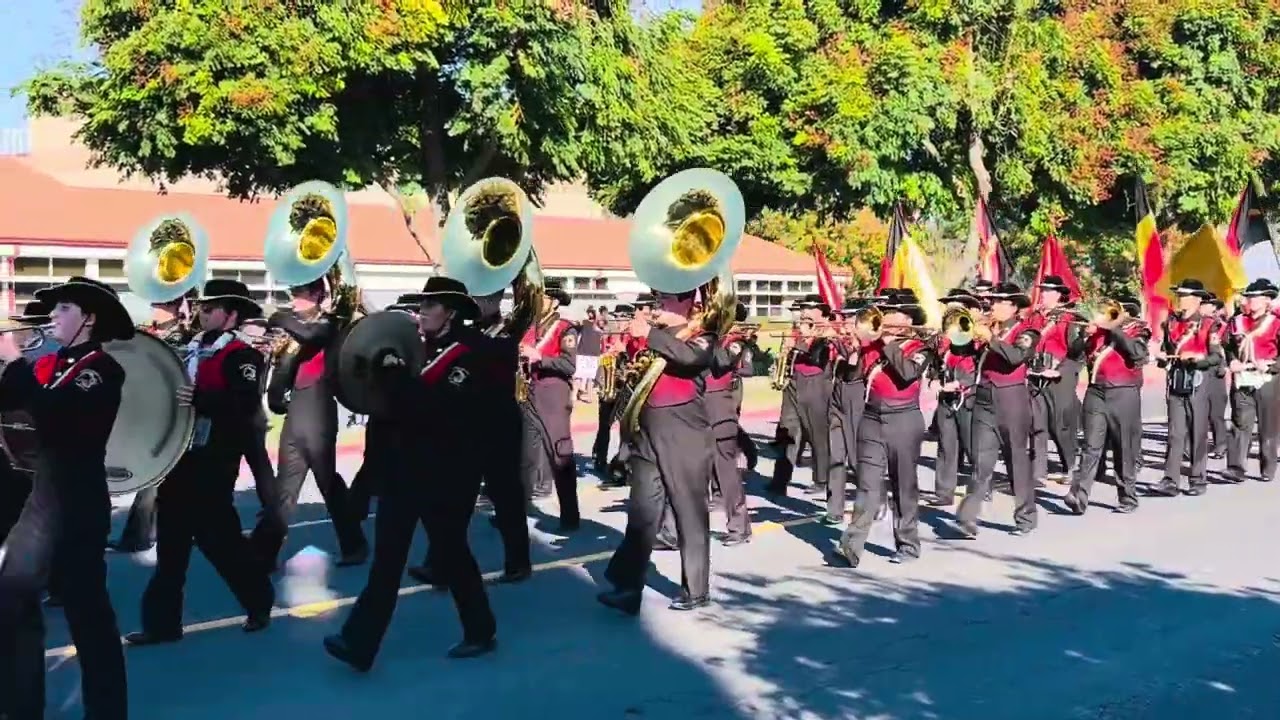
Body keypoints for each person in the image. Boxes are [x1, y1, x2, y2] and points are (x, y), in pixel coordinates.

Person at [324, 277, 496, 669]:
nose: (422, 310)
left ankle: (481, 629)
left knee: (453, 556)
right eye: (422, 303)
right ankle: (359, 644)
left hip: (442, 475)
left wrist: (396, 376)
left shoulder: (465, 358)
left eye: (431, 304)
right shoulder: (415, 350)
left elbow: (435, 410)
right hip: (403, 472)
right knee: (386, 562)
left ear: (450, 313)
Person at [0, 276, 131, 720]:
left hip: (77, 503)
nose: (52, 317)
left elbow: (53, 416)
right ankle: (21, 707)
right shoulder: (51, 364)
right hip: (43, 497)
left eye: (63, 310)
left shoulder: (102, 369)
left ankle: (108, 710)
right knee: (13, 597)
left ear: (88, 320)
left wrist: (15, 359)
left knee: (88, 616)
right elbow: (13, 401)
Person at [125, 280, 276, 646]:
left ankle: (259, 600)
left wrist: (202, 399)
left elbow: (244, 408)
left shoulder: (243, 356)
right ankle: (162, 625)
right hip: (180, 459)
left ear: (232, 315)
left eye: (211, 307)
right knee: (171, 548)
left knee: (220, 544)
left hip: (214, 464)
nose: (202, 312)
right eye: (202, 306)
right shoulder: (188, 350)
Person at [597, 287, 716, 614]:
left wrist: (649, 334)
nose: (656, 305)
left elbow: (691, 359)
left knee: (689, 511)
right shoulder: (658, 336)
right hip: (647, 431)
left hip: (684, 431)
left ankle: (696, 589)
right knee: (641, 512)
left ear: (685, 302)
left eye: (663, 300)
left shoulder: (702, 335)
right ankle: (628, 586)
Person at [408, 284, 535, 587]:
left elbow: (476, 369)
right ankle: (439, 565)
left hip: (497, 430)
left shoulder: (493, 339)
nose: (421, 311)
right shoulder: (453, 339)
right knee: (456, 502)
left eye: (431, 305)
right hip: (465, 432)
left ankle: (518, 562)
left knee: (506, 498)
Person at [249, 278, 368, 570]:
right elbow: (285, 369)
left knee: (328, 482)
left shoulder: (328, 324)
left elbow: (313, 335)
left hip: (319, 412)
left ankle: (354, 544)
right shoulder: (293, 331)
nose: (295, 301)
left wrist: (279, 317)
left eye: (300, 295)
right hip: (297, 411)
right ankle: (265, 552)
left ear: (317, 296)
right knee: (285, 488)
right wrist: (276, 395)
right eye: (293, 295)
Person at [835, 291, 933, 566]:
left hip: (904, 419)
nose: (885, 317)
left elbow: (908, 374)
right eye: (883, 312)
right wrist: (854, 350)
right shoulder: (872, 345)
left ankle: (908, 544)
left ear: (907, 318)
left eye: (891, 313)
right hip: (872, 418)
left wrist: (888, 342)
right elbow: (852, 378)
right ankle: (851, 545)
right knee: (866, 484)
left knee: (903, 484)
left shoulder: (920, 348)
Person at [110, 287, 198, 554]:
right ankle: (142, 534)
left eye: (158, 304)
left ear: (173, 305)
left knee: (154, 480)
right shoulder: (149, 332)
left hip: (176, 414)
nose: (153, 308)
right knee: (156, 481)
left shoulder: (186, 337)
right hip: (150, 412)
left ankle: (141, 536)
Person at [952, 282, 1040, 538]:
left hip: (1011, 397)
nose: (994, 306)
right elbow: (961, 351)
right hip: (984, 397)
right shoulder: (990, 328)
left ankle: (1026, 516)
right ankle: (968, 515)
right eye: (993, 301)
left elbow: (1015, 357)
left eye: (1000, 302)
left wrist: (990, 338)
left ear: (1013, 306)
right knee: (981, 459)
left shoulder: (1027, 331)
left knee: (1016, 459)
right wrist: (966, 333)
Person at [1061, 294, 1148, 514]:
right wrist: (1084, 335)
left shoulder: (1137, 331)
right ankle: (1079, 495)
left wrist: (1114, 329)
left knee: (1123, 446)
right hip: (1096, 391)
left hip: (1123, 392)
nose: (1106, 315)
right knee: (1091, 445)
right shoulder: (1096, 334)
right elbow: (1073, 353)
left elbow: (1137, 355)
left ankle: (1127, 497)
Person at [518, 279, 580, 530]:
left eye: (540, 297)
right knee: (525, 457)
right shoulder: (531, 325)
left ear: (553, 301)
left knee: (559, 455)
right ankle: (515, 511)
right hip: (530, 392)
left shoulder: (565, 328)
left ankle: (570, 516)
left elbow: (569, 365)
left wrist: (540, 357)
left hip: (553, 394)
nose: (535, 300)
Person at [1152, 279, 1220, 497]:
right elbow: (1166, 349)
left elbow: (1216, 357)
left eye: (1185, 296)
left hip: (1197, 382)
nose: (1181, 300)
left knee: (1197, 432)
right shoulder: (1170, 323)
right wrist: (1161, 357)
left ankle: (1198, 479)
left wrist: (1197, 358)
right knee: (1175, 433)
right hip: (1176, 380)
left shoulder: (1209, 324)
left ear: (1197, 300)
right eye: (1179, 296)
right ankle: (1170, 479)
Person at [768, 294, 833, 497]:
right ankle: (780, 480)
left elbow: (818, 357)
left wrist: (800, 342)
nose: (804, 313)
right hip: (794, 384)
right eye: (803, 310)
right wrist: (783, 355)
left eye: (809, 309)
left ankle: (822, 480)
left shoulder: (828, 334)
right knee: (787, 432)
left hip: (817, 385)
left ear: (822, 314)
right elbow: (787, 359)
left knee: (817, 434)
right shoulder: (796, 332)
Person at [925, 288, 984, 507]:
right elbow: (935, 364)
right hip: (946, 399)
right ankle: (943, 492)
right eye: (949, 307)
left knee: (973, 447)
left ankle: (980, 487)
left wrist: (962, 384)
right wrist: (933, 380)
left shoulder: (978, 337)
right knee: (946, 445)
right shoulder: (943, 339)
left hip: (969, 398)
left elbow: (982, 367)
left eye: (956, 306)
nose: (951, 310)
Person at [1027, 275, 1083, 485]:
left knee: (1060, 426)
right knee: (1037, 424)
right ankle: (1037, 472)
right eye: (1043, 291)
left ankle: (1070, 466)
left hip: (1060, 377)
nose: (1044, 295)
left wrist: (1060, 371)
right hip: (1036, 375)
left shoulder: (1069, 318)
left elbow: (1078, 353)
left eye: (1049, 291)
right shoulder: (1035, 317)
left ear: (1059, 294)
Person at [1223, 279, 1280, 484]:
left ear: (1266, 300)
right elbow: (1227, 345)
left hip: (1267, 379)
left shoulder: (1276, 322)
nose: (1250, 301)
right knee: (1240, 423)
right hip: (1242, 378)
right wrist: (1232, 361)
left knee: (1268, 426)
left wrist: (1272, 366)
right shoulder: (1237, 321)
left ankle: (1268, 467)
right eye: (1249, 297)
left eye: (1254, 297)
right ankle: (1236, 468)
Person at [705, 302, 752, 546]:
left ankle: (739, 527)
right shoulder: (703, 338)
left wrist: (708, 339)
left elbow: (721, 362)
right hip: (696, 410)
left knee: (727, 474)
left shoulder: (735, 342)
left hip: (720, 410)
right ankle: (671, 530)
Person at [1200, 294, 1231, 458]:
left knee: (1216, 412)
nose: (1202, 307)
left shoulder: (1222, 326)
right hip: (1200, 370)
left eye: (1207, 304)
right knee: (1200, 412)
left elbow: (1227, 348)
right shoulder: (1196, 324)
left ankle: (1221, 444)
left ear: (1214, 308)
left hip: (1216, 371)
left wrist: (1225, 365)